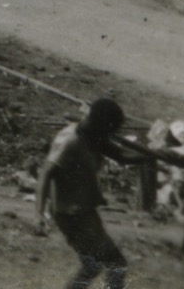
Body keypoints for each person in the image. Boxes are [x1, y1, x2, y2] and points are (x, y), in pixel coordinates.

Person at [40, 98, 140, 289]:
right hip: (71, 214)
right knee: (115, 265)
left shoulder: (92, 135)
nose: (109, 136)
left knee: (93, 266)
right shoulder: (69, 140)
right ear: (100, 125)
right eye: (109, 131)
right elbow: (46, 173)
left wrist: (151, 156)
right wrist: (38, 214)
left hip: (84, 211)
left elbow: (120, 155)